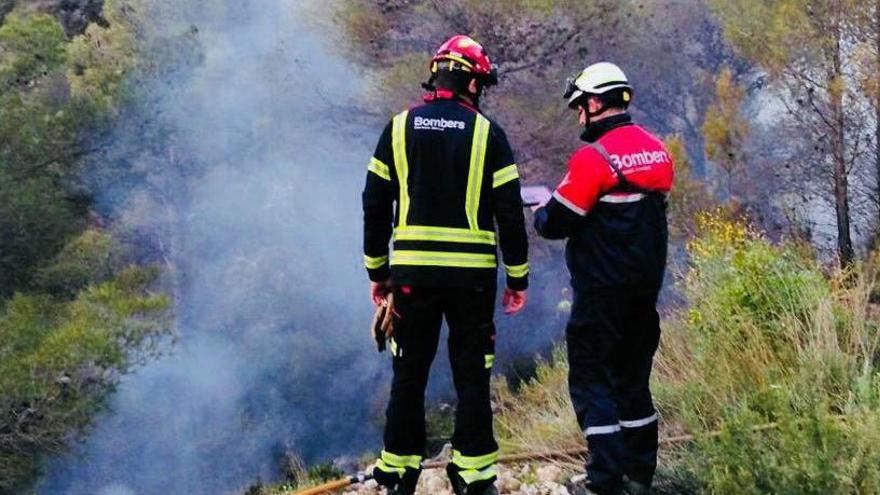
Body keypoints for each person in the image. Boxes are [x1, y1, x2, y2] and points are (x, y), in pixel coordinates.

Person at [362, 35, 529, 495]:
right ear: (473, 82)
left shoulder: (397, 129)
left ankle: (398, 472)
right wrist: (518, 278)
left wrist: (378, 272)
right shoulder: (488, 134)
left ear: (436, 74)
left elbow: (374, 204)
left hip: (413, 279)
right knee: (473, 376)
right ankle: (474, 477)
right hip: (472, 283)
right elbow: (510, 213)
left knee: (408, 374)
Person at [533, 62, 674, 495]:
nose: (579, 115)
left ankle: (605, 479)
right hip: (644, 296)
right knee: (634, 384)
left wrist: (541, 207)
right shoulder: (658, 151)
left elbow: (555, 222)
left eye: (580, 106)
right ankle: (639, 474)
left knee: (592, 383)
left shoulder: (595, 158)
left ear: (596, 103)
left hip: (600, 298)